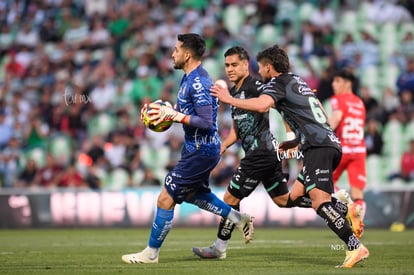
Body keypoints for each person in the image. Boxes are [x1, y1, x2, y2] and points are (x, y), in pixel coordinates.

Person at [210, 44, 369, 268]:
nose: (261, 72)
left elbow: (262, 105)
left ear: (267, 67)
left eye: (261, 67)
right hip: (324, 143)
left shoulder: (277, 83)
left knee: (320, 204)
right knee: (291, 197)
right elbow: (320, 113)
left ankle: (354, 246)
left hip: (317, 146)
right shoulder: (298, 80)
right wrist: (296, 140)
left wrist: (228, 99)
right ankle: (347, 209)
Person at [121, 33, 253, 264]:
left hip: (202, 149)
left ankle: (151, 253)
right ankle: (237, 217)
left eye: (176, 49)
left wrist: (175, 115)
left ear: (187, 54)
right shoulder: (188, 78)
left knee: (165, 198)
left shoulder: (198, 81)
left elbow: (206, 122)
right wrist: (166, 112)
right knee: (193, 194)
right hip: (196, 148)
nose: (173, 54)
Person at [192, 46, 312, 260]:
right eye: (227, 65)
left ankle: (219, 247)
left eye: (234, 64)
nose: (229, 69)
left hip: (261, 153)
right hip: (267, 155)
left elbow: (275, 105)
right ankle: (332, 203)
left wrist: (289, 131)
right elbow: (238, 129)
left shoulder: (256, 85)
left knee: (229, 197)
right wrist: (223, 145)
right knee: (283, 200)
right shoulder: (236, 92)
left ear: (246, 65)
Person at [329, 69, 367, 239]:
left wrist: (318, 132)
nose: (333, 84)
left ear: (348, 83)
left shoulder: (338, 99)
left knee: (325, 183)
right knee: (358, 193)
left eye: (337, 81)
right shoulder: (360, 102)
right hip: (359, 150)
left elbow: (336, 119)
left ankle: (346, 207)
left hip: (342, 149)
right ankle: (358, 225)